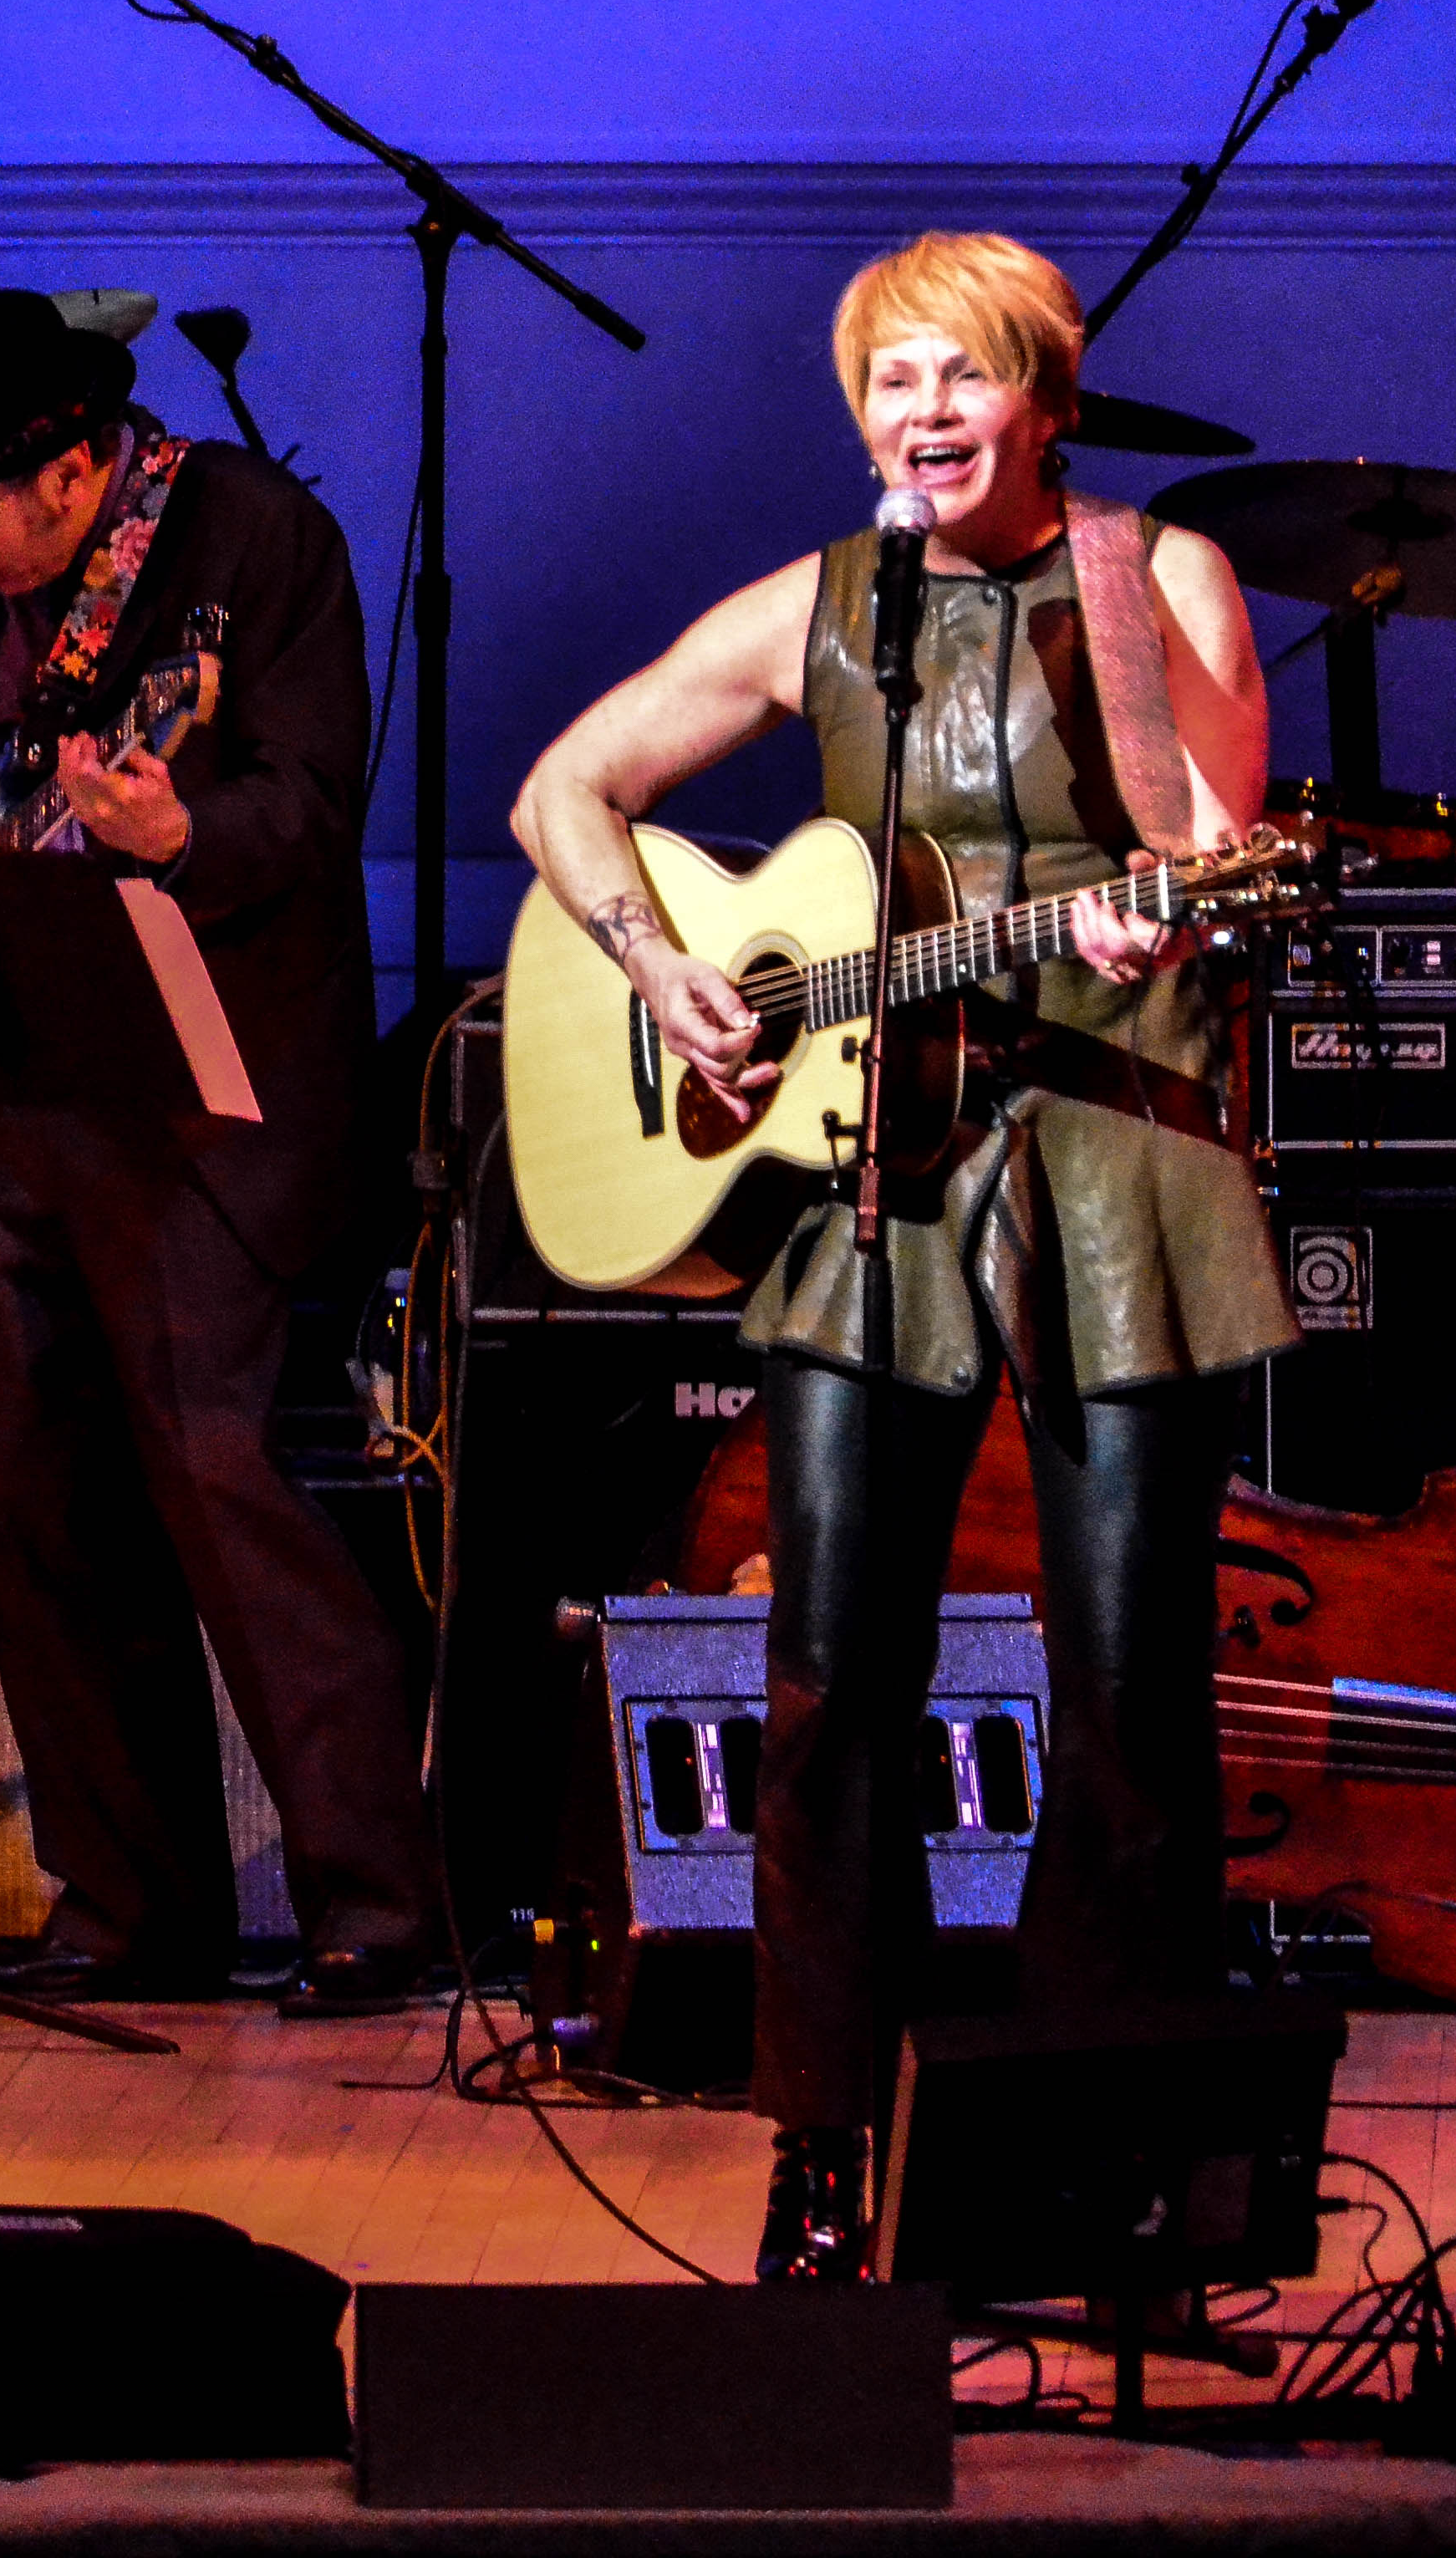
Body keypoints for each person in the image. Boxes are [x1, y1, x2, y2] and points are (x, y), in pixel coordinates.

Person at [508, 232, 1289, 2280]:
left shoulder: (1155, 576)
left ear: (1048, 395)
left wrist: (1168, 905)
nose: (923, 418)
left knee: (1133, 1691)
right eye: (890, 385)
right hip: (881, 1172)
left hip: (1121, 1153)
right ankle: (824, 2142)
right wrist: (659, 963)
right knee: (829, 1674)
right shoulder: (826, 607)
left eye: (962, 380)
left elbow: (1218, 825)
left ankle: (1102, 2163)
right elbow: (563, 788)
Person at [0, 288, 441, 2010]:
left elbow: (313, 806)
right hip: (26, 1079)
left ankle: (375, 1903)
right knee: (43, 1501)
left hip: (209, 1092)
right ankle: (129, 1902)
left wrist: (183, 828)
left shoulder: (258, 541)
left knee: (218, 1472)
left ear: (69, 470)